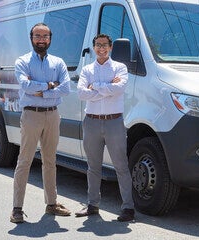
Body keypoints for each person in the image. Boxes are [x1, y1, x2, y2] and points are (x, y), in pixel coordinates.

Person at [10, 22, 71, 223]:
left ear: (50, 39)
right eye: (38, 36)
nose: (41, 40)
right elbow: (25, 86)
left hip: (53, 115)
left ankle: (51, 203)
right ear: (31, 38)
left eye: (45, 36)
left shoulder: (58, 62)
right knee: (25, 161)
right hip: (31, 115)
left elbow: (66, 88)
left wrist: (40, 89)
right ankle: (17, 209)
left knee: (50, 161)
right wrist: (51, 85)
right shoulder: (23, 61)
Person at [75, 34, 135, 222]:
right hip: (91, 121)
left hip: (114, 122)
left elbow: (119, 89)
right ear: (93, 47)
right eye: (98, 45)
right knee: (93, 167)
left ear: (110, 48)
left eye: (105, 45)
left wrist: (96, 87)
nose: (101, 48)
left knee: (121, 166)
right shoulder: (87, 69)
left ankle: (128, 208)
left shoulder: (120, 68)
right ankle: (92, 205)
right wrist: (107, 88)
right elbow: (81, 93)